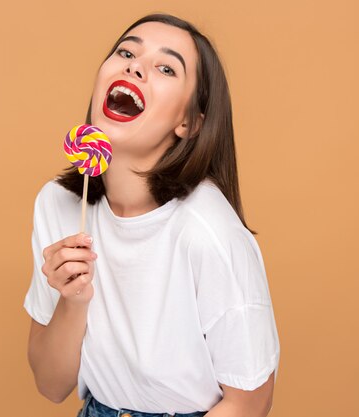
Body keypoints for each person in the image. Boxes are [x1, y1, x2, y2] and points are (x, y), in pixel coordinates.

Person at [24, 13, 280, 417]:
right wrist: (73, 301)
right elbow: (50, 384)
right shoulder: (57, 205)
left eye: (165, 68)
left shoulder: (207, 229)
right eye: (126, 51)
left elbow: (251, 402)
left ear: (189, 123)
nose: (135, 65)